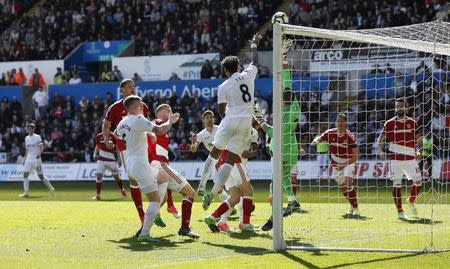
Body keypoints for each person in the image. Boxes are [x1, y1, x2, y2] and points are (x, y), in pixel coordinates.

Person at [198, 33, 262, 221]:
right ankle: (213, 192)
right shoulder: (247, 75)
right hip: (245, 122)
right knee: (230, 160)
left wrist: (226, 121)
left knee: (215, 154)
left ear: (225, 71)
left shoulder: (223, 86)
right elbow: (256, 62)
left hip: (230, 119)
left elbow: (220, 108)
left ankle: (203, 187)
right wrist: (254, 45)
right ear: (238, 67)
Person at [114, 95, 178, 242]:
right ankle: (144, 234)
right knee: (155, 199)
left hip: (130, 163)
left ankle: (161, 210)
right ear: (133, 107)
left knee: (163, 178)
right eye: (140, 106)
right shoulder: (138, 119)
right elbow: (161, 130)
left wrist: (145, 134)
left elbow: (116, 135)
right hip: (140, 164)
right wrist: (171, 121)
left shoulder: (123, 122)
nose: (142, 108)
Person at [147, 104, 199, 238]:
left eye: (170, 110)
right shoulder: (157, 123)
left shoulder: (158, 126)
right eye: (167, 110)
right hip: (160, 165)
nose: (170, 112)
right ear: (158, 112)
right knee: (190, 193)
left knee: (160, 200)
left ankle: (143, 230)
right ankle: (184, 228)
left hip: (158, 165)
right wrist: (171, 121)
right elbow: (160, 130)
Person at [103, 78, 149, 226]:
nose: (132, 88)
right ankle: (142, 215)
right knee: (134, 180)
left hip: (143, 146)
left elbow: (148, 125)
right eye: (129, 86)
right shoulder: (114, 107)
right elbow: (106, 126)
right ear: (122, 89)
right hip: (125, 148)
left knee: (151, 176)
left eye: (133, 86)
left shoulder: (143, 106)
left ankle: (156, 207)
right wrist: (107, 140)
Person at [205, 126, 259, 233]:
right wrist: (252, 152)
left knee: (235, 197)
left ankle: (212, 218)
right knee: (248, 191)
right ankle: (245, 224)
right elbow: (247, 151)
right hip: (233, 160)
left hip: (222, 163)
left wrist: (252, 151)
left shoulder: (249, 129)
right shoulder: (243, 125)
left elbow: (253, 146)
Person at [377, 98, 422, 220]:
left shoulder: (412, 122)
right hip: (395, 160)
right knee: (396, 185)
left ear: (406, 108)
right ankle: (400, 212)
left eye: (401, 106)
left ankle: (411, 200)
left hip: (410, 158)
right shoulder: (389, 123)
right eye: (397, 106)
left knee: (418, 182)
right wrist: (381, 151)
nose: (399, 108)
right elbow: (379, 140)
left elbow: (419, 140)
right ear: (395, 108)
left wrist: (419, 150)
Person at [311, 114, 360, 217]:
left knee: (348, 184)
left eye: (342, 121)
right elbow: (319, 138)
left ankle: (356, 208)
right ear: (335, 122)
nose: (340, 123)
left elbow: (356, 156)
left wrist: (343, 165)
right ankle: (352, 205)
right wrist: (315, 142)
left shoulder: (350, 137)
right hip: (335, 162)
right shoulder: (330, 133)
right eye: (338, 121)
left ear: (346, 123)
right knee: (343, 188)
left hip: (348, 162)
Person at [20, 123, 55, 197]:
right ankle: (26, 192)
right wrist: (25, 159)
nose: (29, 130)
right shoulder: (26, 138)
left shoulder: (37, 137)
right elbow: (27, 149)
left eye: (31, 129)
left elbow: (42, 147)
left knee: (41, 176)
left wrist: (39, 154)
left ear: (34, 129)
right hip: (29, 159)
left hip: (36, 159)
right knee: (25, 175)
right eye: (28, 129)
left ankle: (51, 188)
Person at [92, 131, 126, 200]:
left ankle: (122, 190)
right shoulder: (99, 136)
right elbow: (97, 146)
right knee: (98, 177)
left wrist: (119, 159)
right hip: (101, 160)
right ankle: (98, 195)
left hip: (111, 160)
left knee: (116, 177)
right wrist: (94, 154)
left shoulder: (113, 135)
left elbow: (117, 148)